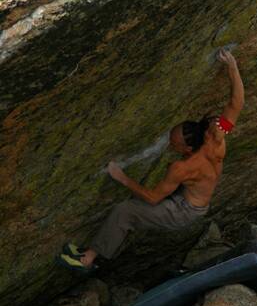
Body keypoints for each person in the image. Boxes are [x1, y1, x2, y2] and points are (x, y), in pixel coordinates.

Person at [57, 48, 245, 273]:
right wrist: (232, 66)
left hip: (182, 212)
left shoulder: (181, 167)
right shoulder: (216, 139)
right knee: (133, 212)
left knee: (124, 211)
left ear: (187, 148)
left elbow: (153, 197)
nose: (169, 145)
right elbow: (236, 104)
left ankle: (87, 260)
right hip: (194, 199)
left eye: (173, 144)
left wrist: (123, 178)